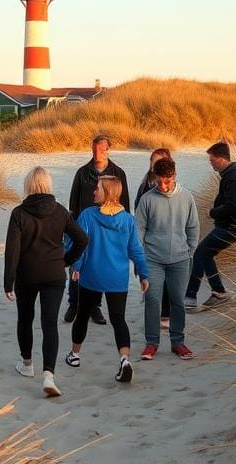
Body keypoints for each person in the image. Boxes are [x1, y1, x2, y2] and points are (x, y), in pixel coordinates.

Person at [4, 167, 89, 398]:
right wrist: (66, 261)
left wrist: (7, 282)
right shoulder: (60, 211)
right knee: (49, 323)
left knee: (26, 318)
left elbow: (12, 250)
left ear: (28, 186)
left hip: (27, 273)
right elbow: (82, 238)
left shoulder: (19, 213)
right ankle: (49, 375)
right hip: (54, 273)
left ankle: (27, 363)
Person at [65, 175, 148, 384]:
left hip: (92, 275)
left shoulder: (88, 215)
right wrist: (143, 274)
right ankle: (124, 359)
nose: (94, 191)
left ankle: (74, 355)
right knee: (118, 319)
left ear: (108, 192)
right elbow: (135, 250)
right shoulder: (127, 219)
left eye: (98, 188)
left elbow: (81, 244)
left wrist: (76, 266)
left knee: (82, 315)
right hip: (117, 277)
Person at [136, 157, 199, 361]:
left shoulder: (187, 198)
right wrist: (142, 256)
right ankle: (152, 343)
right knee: (152, 300)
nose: (163, 186)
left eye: (168, 182)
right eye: (159, 182)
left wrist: (189, 250)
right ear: (154, 178)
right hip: (153, 259)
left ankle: (178, 342)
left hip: (180, 259)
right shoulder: (147, 199)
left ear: (174, 176)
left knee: (177, 301)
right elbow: (139, 230)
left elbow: (193, 227)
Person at [64, 135, 131, 325]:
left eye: (100, 150)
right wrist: (73, 229)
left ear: (108, 150)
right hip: (83, 226)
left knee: (98, 265)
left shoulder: (118, 173)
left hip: (107, 228)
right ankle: (73, 304)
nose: (96, 153)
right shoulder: (82, 173)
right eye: (94, 150)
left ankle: (95, 307)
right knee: (77, 264)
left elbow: (124, 204)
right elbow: (73, 203)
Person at [185, 141, 236, 311]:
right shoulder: (231, 174)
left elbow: (234, 206)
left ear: (223, 159)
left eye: (212, 160)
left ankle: (192, 297)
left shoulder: (233, 176)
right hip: (230, 224)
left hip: (234, 226)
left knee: (201, 252)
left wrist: (212, 212)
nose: (211, 164)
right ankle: (217, 292)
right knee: (204, 253)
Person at [134, 147, 173, 329]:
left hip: (167, 239)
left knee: (165, 280)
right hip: (148, 238)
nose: (154, 165)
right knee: (149, 276)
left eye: (158, 162)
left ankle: (165, 314)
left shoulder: (171, 185)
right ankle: (153, 313)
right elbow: (137, 207)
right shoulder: (146, 182)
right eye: (152, 161)